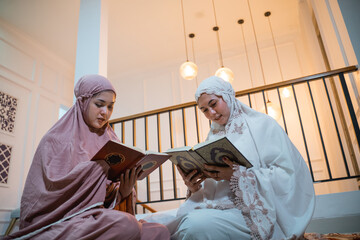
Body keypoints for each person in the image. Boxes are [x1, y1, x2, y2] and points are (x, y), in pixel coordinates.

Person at [4, 75, 170, 240]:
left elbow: (106, 197)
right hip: (64, 220)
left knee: (159, 231)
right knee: (126, 225)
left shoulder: (110, 140)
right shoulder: (55, 139)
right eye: (99, 104)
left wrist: (123, 192)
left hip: (99, 217)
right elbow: (46, 196)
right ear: (83, 101)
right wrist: (97, 169)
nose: (105, 112)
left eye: (110, 107)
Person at [171, 76, 315, 240]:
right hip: (223, 208)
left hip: (256, 211)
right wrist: (194, 187)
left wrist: (237, 175)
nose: (211, 113)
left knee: (193, 225)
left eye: (213, 104)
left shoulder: (263, 125)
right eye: (204, 110)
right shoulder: (211, 138)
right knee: (179, 222)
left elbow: (288, 175)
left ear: (227, 96)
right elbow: (215, 189)